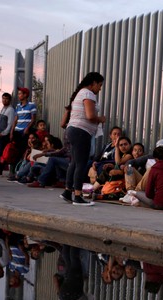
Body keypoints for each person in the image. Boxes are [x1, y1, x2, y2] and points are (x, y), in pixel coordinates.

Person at [61, 72, 107, 205]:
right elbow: (90, 116)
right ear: (93, 83)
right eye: (99, 85)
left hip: (73, 130)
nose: (100, 88)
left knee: (74, 162)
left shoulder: (80, 93)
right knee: (81, 164)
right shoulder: (88, 94)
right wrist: (101, 119)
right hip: (81, 132)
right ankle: (78, 196)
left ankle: (67, 191)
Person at [9, 87, 37, 179]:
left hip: (25, 132)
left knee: (24, 151)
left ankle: (21, 171)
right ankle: (13, 171)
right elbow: (15, 119)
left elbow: (33, 119)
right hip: (17, 131)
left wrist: (27, 128)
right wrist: (12, 131)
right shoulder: (18, 106)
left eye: (20, 93)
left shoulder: (32, 105)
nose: (19, 95)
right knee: (15, 151)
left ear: (25, 95)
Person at [0, 92, 16, 175]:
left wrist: (5, 133)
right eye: (3, 98)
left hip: (4, 136)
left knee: (3, 153)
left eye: (6, 99)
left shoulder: (10, 110)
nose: (4, 100)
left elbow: (10, 123)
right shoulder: (3, 109)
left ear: (9, 100)